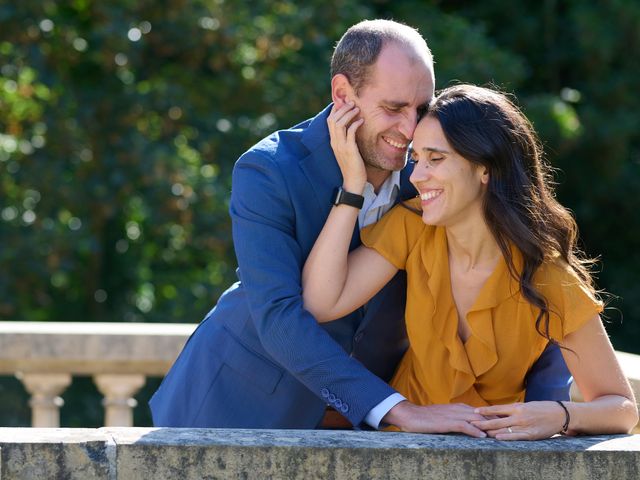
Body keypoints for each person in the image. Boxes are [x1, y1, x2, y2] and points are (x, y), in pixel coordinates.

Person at [150, 20, 571, 433]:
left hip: (360, 426)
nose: (409, 130)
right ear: (343, 94)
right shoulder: (268, 170)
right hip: (238, 404)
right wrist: (398, 410)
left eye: (422, 109)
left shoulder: (433, 175)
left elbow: (522, 273)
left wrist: (546, 409)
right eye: (393, 108)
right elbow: (279, 317)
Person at [301, 84, 639, 439]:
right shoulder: (411, 225)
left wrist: (560, 415)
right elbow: (321, 301)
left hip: (489, 458)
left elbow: (621, 408)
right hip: (399, 440)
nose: (415, 176)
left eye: (436, 159)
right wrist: (352, 186)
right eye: (417, 159)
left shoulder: (548, 275)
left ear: (485, 168)